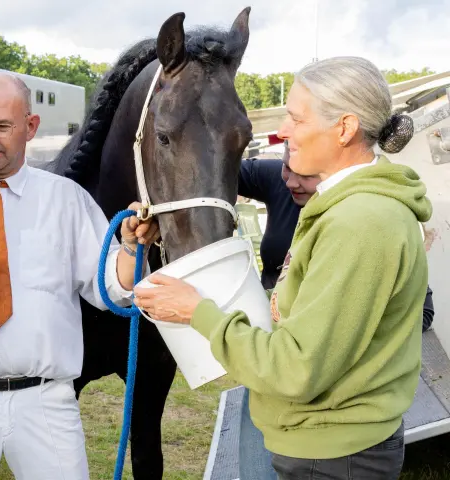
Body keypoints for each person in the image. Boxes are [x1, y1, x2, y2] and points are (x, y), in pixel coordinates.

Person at [134, 56, 430, 480]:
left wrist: (195, 312)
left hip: (331, 456)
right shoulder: (348, 209)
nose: (283, 131)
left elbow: (297, 370)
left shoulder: (360, 223)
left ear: (344, 128)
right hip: (326, 445)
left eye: (296, 118)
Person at [0, 72, 158, 480]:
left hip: (44, 403)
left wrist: (132, 248)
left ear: (30, 127)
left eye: (1, 127)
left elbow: (113, 290)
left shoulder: (67, 201)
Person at [237, 142, 436, 479]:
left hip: (325, 416)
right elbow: (215, 161)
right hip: (270, 367)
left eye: (307, 175)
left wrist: (350, 328)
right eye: (287, 167)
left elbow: (423, 312)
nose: (292, 181)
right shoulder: (281, 179)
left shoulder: (359, 225)